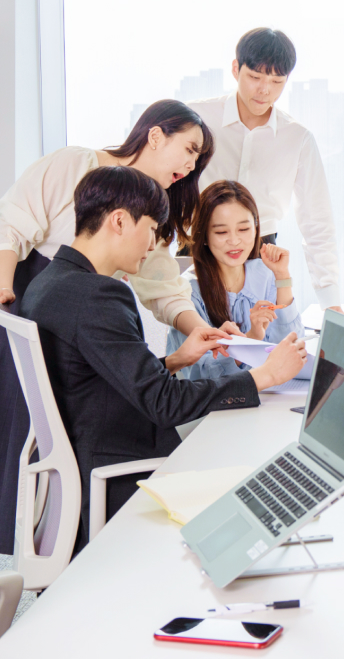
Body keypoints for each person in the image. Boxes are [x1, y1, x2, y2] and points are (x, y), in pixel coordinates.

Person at [19, 165, 307, 553]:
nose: (154, 244)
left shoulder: (49, 282)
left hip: (88, 454)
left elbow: (96, 372)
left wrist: (174, 360)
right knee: (267, 486)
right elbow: (164, 403)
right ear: (120, 221)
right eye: (153, 230)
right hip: (124, 469)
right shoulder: (99, 297)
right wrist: (263, 377)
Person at [0, 99, 234, 555]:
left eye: (197, 160)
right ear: (154, 135)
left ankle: (44, 544)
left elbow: (164, 288)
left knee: (49, 443)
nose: (190, 165)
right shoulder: (74, 167)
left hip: (57, 319)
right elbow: (10, 227)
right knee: (29, 442)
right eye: (189, 149)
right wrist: (5, 291)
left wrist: (199, 332)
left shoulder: (144, 213)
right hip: (25, 303)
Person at [188, 28, 341, 308]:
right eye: (255, 77)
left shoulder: (297, 138)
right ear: (236, 69)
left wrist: (332, 304)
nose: (264, 90)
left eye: (276, 81)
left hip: (260, 255)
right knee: (193, 341)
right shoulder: (197, 119)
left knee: (262, 343)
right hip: (195, 247)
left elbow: (317, 222)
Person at [168, 180, 303, 380]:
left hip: (266, 395)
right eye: (221, 232)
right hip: (209, 407)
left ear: (256, 228)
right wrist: (251, 340)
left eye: (243, 229)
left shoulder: (264, 273)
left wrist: (282, 276)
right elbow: (199, 374)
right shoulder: (186, 291)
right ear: (204, 235)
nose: (234, 240)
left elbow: (291, 345)